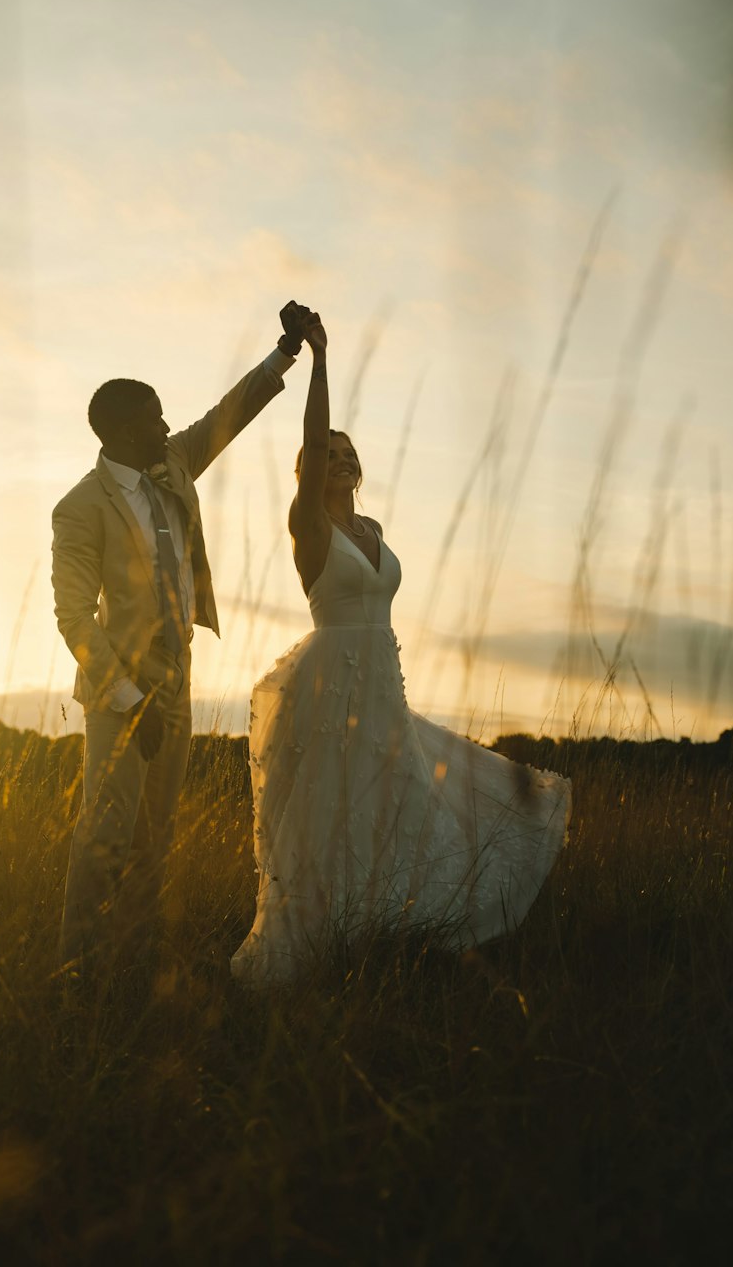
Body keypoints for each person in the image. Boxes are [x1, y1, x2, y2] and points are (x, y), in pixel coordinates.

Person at [230, 313, 572, 986]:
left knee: (400, 799)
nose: (343, 457)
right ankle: (328, 938)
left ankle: (399, 927)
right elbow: (309, 434)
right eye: (329, 453)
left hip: (384, 682)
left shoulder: (373, 526)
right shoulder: (309, 527)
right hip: (332, 680)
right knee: (335, 807)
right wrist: (322, 363)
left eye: (350, 450)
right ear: (307, 470)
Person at [52, 302, 312, 967]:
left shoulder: (171, 463)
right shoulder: (80, 508)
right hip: (120, 689)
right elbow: (74, 616)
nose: (168, 423)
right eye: (154, 414)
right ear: (119, 429)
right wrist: (129, 698)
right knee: (105, 831)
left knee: (155, 835)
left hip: (177, 678)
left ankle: (132, 959)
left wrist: (285, 350)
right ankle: (80, 964)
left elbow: (226, 416)